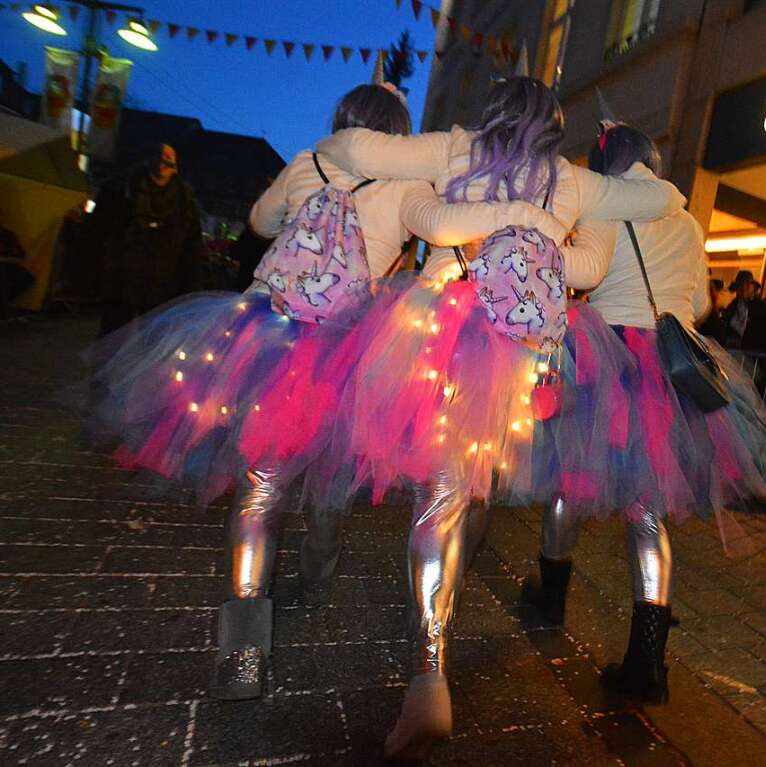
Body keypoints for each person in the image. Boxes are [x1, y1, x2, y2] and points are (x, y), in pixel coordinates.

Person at [81, 82, 566, 703]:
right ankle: (321, 554)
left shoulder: (306, 164)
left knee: (260, 488)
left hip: (264, 336)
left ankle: (243, 653)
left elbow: (259, 221)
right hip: (341, 351)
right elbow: (437, 234)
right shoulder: (407, 189)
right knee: (334, 458)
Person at [312, 77, 686, 759]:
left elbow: (347, 147)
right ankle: (454, 584)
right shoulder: (570, 181)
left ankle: (427, 675)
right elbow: (659, 203)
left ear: (490, 113)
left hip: (436, 336)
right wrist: (541, 222)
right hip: (518, 352)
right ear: (552, 126)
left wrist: (446, 209)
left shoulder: (454, 149)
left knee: (437, 500)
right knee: (473, 483)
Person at [518, 123, 766, 704]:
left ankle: (551, 593)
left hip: (609, 354)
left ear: (607, 160)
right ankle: (648, 660)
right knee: (647, 509)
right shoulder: (687, 221)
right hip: (670, 364)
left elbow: (588, 272)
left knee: (569, 476)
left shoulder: (609, 204)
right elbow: (703, 302)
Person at [93, 143, 205, 336]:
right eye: (159, 159)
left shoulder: (185, 201)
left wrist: (191, 284)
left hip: (162, 285)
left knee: (152, 343)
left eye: (167, 161)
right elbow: (98, 230)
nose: (162, 165)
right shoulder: (122, 189)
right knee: (113, 338)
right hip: (122, 281)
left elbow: (192, 246)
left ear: (175, 167)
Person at [720, 269, 766, 353]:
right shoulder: (732, 306)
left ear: (753, 287)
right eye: (740, 285)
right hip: (731, 352)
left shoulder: (763, 308)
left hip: (753, 354)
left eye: (747, 285)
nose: (743, 288)